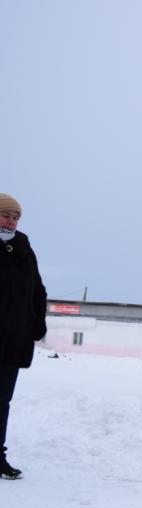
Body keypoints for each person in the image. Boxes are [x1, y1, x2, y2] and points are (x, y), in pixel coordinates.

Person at [0, 193, 47, 480]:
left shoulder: (24, 250)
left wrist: (37, 322)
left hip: (14, 340)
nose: (11, 221)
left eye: (15, 217)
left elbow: (38, 291)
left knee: (2, 402)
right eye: (6, 215)